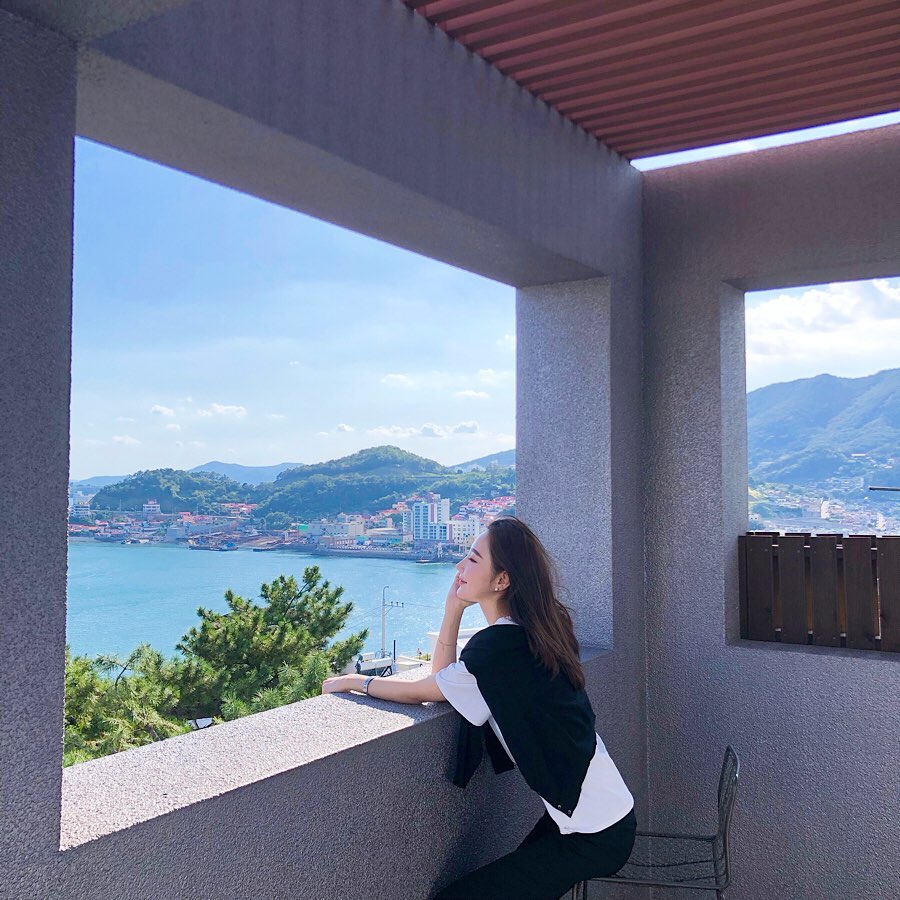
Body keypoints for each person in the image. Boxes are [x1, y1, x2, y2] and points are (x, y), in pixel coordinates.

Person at [321, 515, 636, 899]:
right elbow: (446, 682)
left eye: (472, 559)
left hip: (593, 832)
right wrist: (454, 609)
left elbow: (425, 690)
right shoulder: (539, 630)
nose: (459, 566)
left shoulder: (499, 648)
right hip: (598, 815)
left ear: (502, 580)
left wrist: (355, 681)